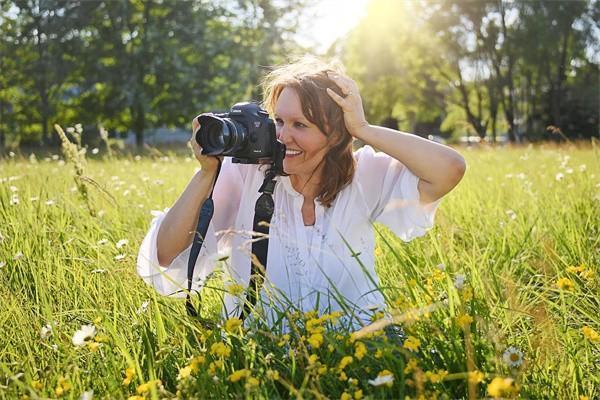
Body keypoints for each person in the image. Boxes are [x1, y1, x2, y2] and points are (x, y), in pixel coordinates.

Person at [137, 57, 466, 330]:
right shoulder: (247, 174)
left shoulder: (365, 174)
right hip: (263, 354)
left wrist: (363, 129)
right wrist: (207, 172)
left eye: (300, 125)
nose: (282, 137)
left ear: (336, 132)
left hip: (362, 346)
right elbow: (165, 253)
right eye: (278, 121)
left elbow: (449, 169)